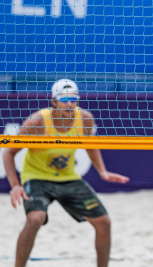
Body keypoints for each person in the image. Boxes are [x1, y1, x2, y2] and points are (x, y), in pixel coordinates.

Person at [3, 79, 129, 267]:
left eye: (73, 99)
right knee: (36, 218)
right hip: (37, 176)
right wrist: (15, 185)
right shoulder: (37, 121)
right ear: (53, 101)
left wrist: (102, 172)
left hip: (67, 178)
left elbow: (90, 145)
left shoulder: (85, 118)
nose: (69, 103)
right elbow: (8, 152)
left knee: (104, 222)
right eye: (64, 99)